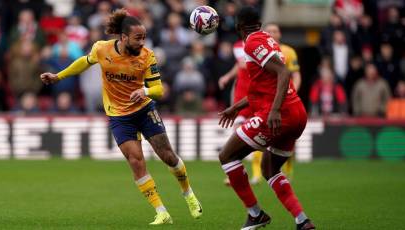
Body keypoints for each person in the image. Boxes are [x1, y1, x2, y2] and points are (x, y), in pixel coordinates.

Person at [40, 9, 202, 225]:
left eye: (144, 37)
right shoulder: (102, 49)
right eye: (138, 38)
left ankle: (188, 194)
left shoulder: (147, 56)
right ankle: (161, 211)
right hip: (119, 115)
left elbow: (159, 89)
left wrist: (143, 91)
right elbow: (84, 61)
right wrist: (58, 76)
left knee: (168, 156)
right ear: (123, 37)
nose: (142, 42)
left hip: (144, 110)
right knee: (136, 161)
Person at [218, 7, 315, 230]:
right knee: (270, 168)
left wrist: (274, 111)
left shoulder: (251, 43)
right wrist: (236, 107)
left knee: (227, 156)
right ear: (259, 23)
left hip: (278, 115)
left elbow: (284, 73)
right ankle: (303, 221)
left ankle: (255, 214)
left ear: (238, 27)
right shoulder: (267, 40)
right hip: (297, 113)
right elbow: (263, 87)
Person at [218, 38, 263, 185]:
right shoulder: (238, 45)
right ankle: (236, 174)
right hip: (241, 96)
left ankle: (257, 174)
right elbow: (242, 64)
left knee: (257, 135)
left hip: (257, 95)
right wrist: (228, 76)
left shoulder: (260, 45)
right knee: (237, 136)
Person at [264, 23, 302, 180]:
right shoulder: (261, 52)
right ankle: (262, 172)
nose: (273, 33)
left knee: (289, 135)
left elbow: (296, 75)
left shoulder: (288, 51)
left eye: (275, 31)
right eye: (269, 31)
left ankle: (289, 167)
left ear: (279, 34)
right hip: (268, 101)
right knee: (267, 134)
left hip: (286, 100)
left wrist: (292, 94)